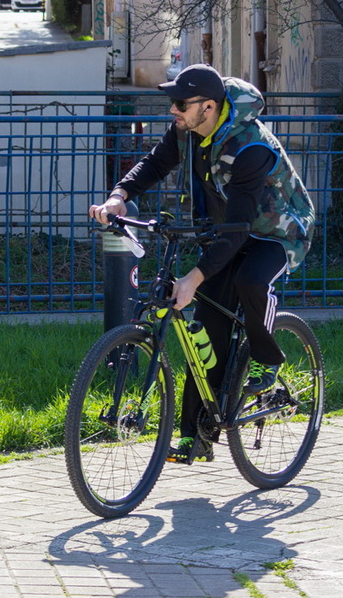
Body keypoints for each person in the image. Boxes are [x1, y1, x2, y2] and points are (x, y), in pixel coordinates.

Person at [88, 64, 315, 465]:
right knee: (207, 331)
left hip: (278, 231)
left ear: (208, 107)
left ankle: (267, 360)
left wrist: (194, 277)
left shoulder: (250, 147)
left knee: (250, 280)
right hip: (227, 230)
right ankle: (197, 437)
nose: (172, 110)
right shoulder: (188, 128)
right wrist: (119, 196)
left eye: (180, 103)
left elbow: (240, 227)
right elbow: (155, 163)